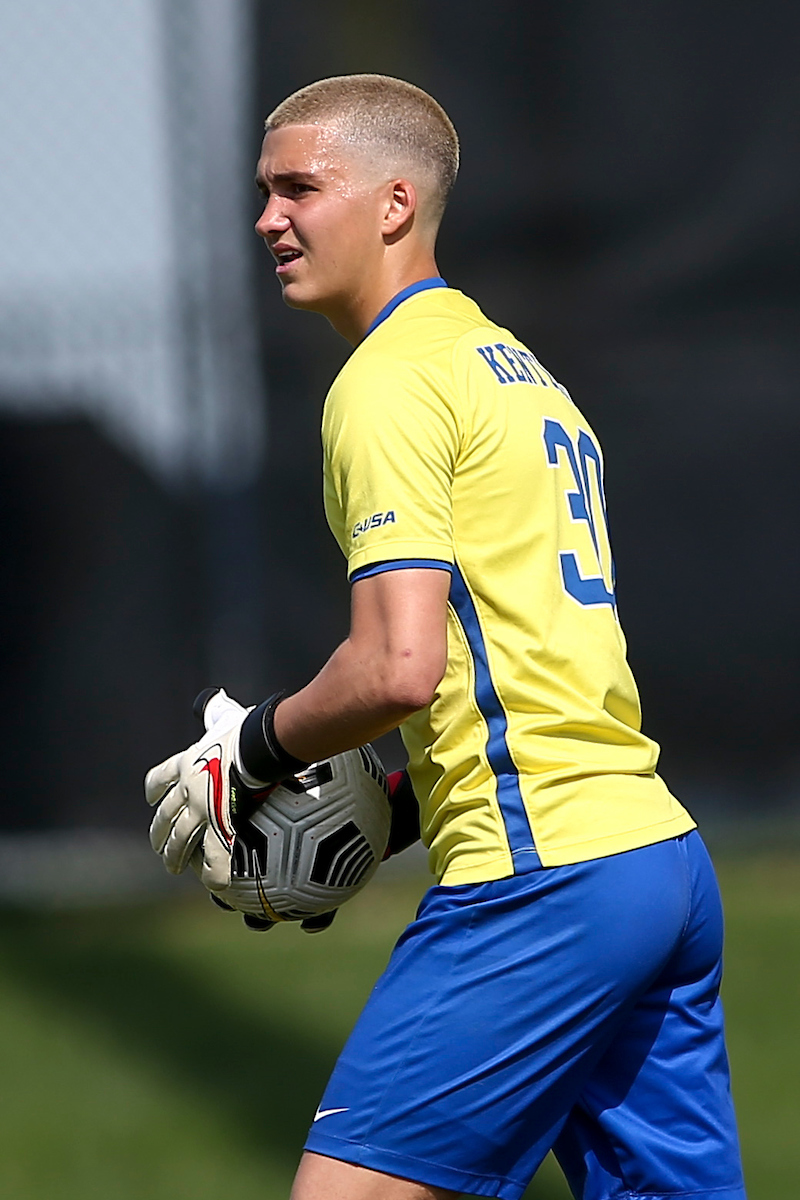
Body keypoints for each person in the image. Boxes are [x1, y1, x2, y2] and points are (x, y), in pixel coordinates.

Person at [145, 75, 746, 1200]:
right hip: (658, 863)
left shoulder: (386, 384)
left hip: (544, 881)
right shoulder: (520, 373)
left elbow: (397, 663)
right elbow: (524, 667)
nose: (268, 218)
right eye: (263, 192)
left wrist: (256, 753)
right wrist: (404, 798)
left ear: (392, 202)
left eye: (297, 188)